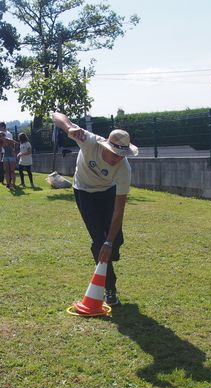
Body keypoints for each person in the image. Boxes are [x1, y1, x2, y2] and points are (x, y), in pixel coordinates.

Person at [52, 111, 137, 307]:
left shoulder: (124, 169)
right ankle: (110, 288)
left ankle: (106, 251)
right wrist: (69, 127)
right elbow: (57, 116)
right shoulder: (89, 142)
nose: (118, 158)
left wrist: (110, 242)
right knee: (99, 242)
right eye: (115, 153)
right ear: (106, 146)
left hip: (107, 193)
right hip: (83, 192)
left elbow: (119, 210)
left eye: (122, 155)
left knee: (115, 241)